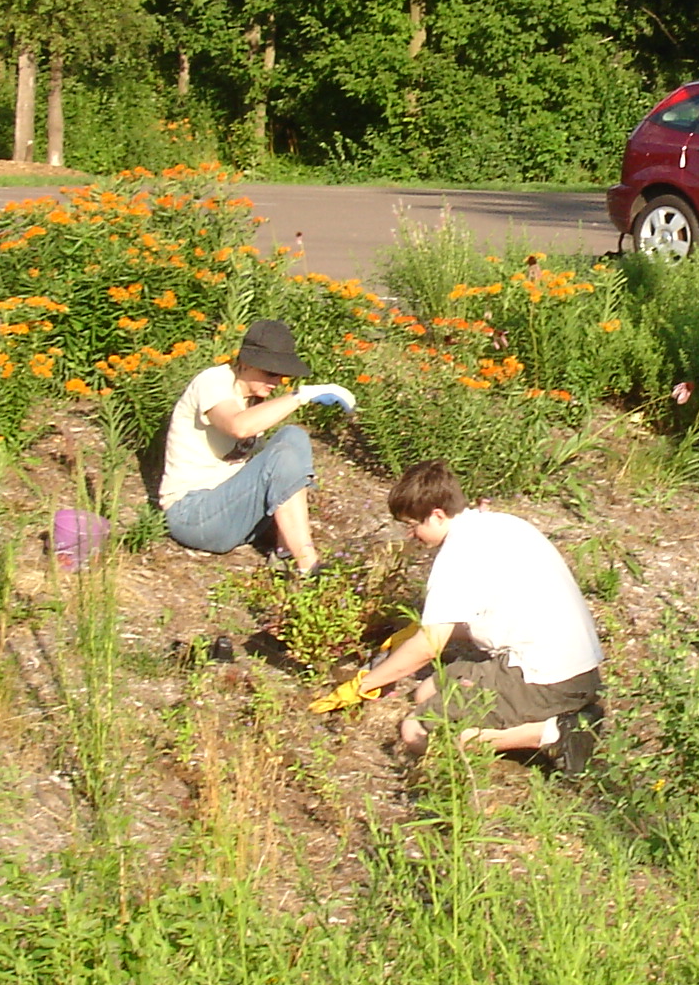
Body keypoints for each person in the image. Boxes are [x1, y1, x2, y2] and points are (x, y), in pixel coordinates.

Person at [321, 460, 605, 771]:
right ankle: (558, 716)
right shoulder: (496, 524)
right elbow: (487, 617)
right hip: (577, 669)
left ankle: (555, 733)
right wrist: (417, 631)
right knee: (426, 691)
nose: (412, 535)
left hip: (546, 678)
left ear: (437, 515)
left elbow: (428, 648)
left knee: (417, 730)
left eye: (413, 525)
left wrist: (364, 685)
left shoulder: (456, 556)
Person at [157, 316, 356, 572]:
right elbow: (238, 426)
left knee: (293, 436)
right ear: (245, 363)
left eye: (282, 376)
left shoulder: (254, 398)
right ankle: (308, 565)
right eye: (269, 372)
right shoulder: (214, 381)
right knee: (282, 453)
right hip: (193, 514)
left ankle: (285, 551)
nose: (275, 382)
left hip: (232, 511)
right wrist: (300, 396)